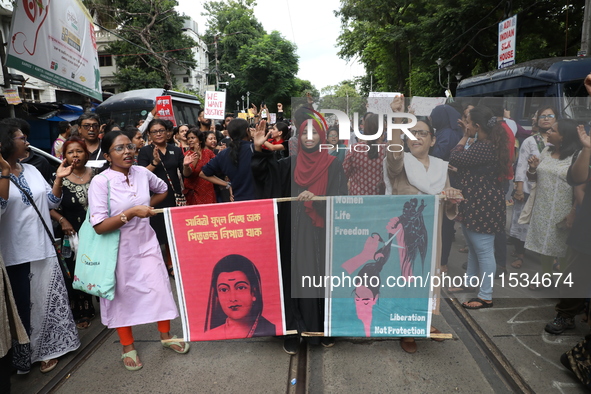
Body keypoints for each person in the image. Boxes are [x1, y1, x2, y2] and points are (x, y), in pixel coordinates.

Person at [88, 130, 189, 371]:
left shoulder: (143, 173)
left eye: (130, 147)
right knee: (123, 297)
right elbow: (100, 226)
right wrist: (132, 212)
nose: (127, 152)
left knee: (159, 288)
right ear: (107, 155)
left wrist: (146, 207)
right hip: (117, 250)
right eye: (119, 148)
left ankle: (166, 336)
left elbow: (163, 189)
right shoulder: (100, 182)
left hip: (146, 243)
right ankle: (127, 346)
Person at [251, 113, 348, 354]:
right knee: (292, 277)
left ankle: (323, 328)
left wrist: (319, 200)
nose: (309, 137)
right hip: (291, 231)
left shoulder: (334, 164)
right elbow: (263, 176)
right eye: (304, 132)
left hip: (321, 233)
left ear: (322, 136)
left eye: (314, 132)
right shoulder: (288, 163)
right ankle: (293, 329)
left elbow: (341, 199)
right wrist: (258, 148)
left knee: (321, 277)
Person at [0, 122, 80, 374]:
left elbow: (51, 201)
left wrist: (58, 179)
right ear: (5, 142)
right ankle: (25, 357)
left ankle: (49, 350)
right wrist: (4, 172)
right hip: (13, 252)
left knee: (45, 301)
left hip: (43, 246)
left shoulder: (32, 170)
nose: (26, 141)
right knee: (23, 306)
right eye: (21, 137)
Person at [385, 117, 462, 352]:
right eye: (412, 133)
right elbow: (394, 158)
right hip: (403, 235)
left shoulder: (440, 166)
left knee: (427, 280)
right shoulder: (401, 162)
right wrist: (397, 121)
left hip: (432, 233)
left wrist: (451, 198)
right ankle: (405, 327)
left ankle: (422, 322)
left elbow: (448, 203)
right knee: (406, 279)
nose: (416, 137)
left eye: (422, 133)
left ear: (433, 140)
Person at [449, 106, 510, 309]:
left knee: (483, 251)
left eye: (467, 122)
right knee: (475, 250)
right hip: (480, 202)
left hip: (482, 204)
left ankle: (485, 296)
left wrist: (464, 138)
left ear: (476, 126)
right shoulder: (487, 144)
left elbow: (456, 156)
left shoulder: (484, 146)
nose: (465, 125)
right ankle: (470, 283)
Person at [524, 119, 583, 289]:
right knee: (545, 245)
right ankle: (546, 279)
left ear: (564, 137)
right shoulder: (546, 151)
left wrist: (573, 212)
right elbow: (534, 178)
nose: (548, 132)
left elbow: (579, 185)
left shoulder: (577, 156)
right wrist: (533, 168)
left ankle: (566, 287)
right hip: (543, 206)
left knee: (563, 249)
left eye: (553, 130)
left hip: (563, 208)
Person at [49, 137, 96, 329]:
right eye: (70, 152)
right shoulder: (58, 176)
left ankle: (103, 303)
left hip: (96, 230)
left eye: (79, 151)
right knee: (76, 270)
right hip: (71, 233)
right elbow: (50, 204)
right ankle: (81, 311)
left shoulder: (96, 174)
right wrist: (62, 220)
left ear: (86, 153)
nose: (75, 155)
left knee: (96, 266)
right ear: (64, 156)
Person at [138, 119, 188, 277]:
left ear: (167, 133)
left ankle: (171, 263)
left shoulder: (176, 150)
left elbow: (184, 174)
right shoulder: (145, 151)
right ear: (149, 134)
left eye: (161, 130)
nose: (159, 134)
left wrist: (186, 165)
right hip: (155, 197)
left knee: (172, 233)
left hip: (175, 197)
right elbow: (140, 176)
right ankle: (155, 265)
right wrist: (154, 162)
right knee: (156, 231)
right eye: (154, 131)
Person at [509, 108, 554, 269]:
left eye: (550, 116)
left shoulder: (559, 141)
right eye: (543, 116)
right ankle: (520, 254)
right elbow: (521, 165)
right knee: (523, 221)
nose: (546, 119)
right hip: (529, 187)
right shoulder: (530, 141)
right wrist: (519, 189)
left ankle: (550, 258)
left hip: (549, 189)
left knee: (545, 223)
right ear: (537, 120)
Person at [203, 254, 276, 339]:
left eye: (240, 288)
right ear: (217, 296)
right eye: (224, 290)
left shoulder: (274, 330)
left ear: (254, 293)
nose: (233, 298)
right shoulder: (210, 336)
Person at [200, 119, 256, 202]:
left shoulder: (223, 154)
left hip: (237, 201)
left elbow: (203, 174)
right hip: (259, 202)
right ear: (248, 131)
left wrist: (228, 185)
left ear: (229, 134)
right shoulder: (254, 149)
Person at [343, 113, 386, 195]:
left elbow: (344, 173)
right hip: (381, 200)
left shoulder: (355, 149)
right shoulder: (387, 149)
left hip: (358, 200)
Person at [183, 128, 216, 205]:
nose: (190, 140)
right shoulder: (187, 155)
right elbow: (188, 173)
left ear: (200, 140)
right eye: (188, 139)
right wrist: (196, 157)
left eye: (193, 138)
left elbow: (217, 166)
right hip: (194, 191)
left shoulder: (208, 152)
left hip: (208, 189)